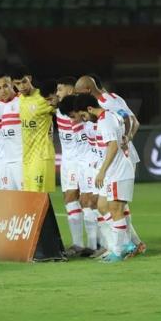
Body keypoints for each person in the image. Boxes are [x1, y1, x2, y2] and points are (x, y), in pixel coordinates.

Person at [74, 75, 146, 255]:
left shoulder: (110, 102)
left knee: (115, 205)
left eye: (79, 93)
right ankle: (129, 244)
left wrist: (127, 139)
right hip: (105, 159)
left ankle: (124, 246)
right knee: (111, 205)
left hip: (119, 159)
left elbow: (132, 120)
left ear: (88, 90)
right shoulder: (94, 110)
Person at [58, 94, 105, 258]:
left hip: (95, 165)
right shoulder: (79, 124)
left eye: (73, 116)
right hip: (84, 165)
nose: (71, 120)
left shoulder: (95, 123)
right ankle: (93, 245)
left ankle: (105, 245)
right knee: (87, 202)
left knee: (98, 203)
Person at [54, 79, 95, 257]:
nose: (57, 93)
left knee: (89, 200)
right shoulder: (56, 109)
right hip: (69, 161)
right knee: (70, 198)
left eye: (60, 88)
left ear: (71, 89)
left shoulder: (84, 108)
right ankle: (78, 244)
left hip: (86, 159)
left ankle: (94, 245)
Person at [14, 73, 56, 193]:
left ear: (30, 78)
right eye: (17, 83)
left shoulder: (43, 97)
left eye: (24, 81)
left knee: (38, 196)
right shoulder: (19, 99)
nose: (22, 86)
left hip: (42, 154)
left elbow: (62, 108)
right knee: (31, 198)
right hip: (27, 158)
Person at [0, 75, 23, 190]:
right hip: (4, 163)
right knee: (8, 202)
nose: (3, 90)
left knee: (26, 200)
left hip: (21, 161)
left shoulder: (22, 101)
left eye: (5, 86)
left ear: (12, 85)